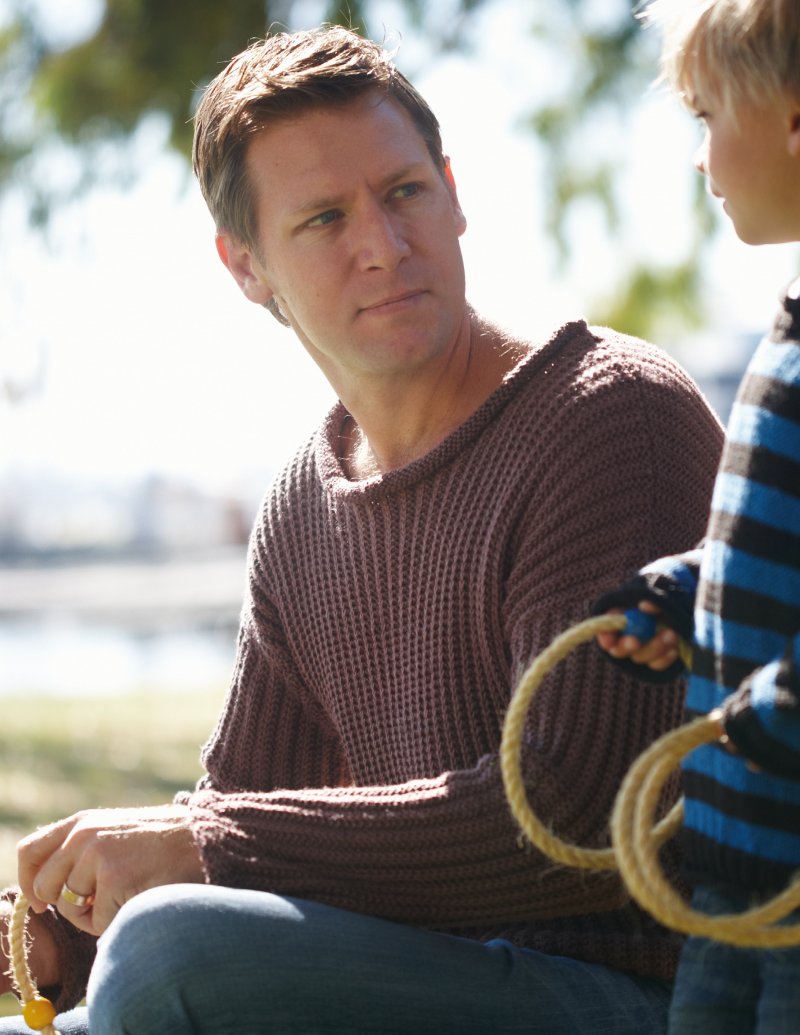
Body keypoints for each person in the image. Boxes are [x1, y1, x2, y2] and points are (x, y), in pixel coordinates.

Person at [0, 24, 724, 1035]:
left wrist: (202, 846)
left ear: (453, 193)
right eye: (325, 218)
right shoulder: (303, 504)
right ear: (245, 266)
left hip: (643, 996)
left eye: (403, 192)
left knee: (170, 955)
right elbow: (247, 807)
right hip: (417, 979)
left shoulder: (607, 416)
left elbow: (580, 816)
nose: (382, 245)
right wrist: (53, 939)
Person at [594, 1, 800, 1032]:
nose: (696, 154)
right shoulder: (785, 333)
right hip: (735, 865)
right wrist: (687, 592)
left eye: (707, 115)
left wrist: (777, 705)